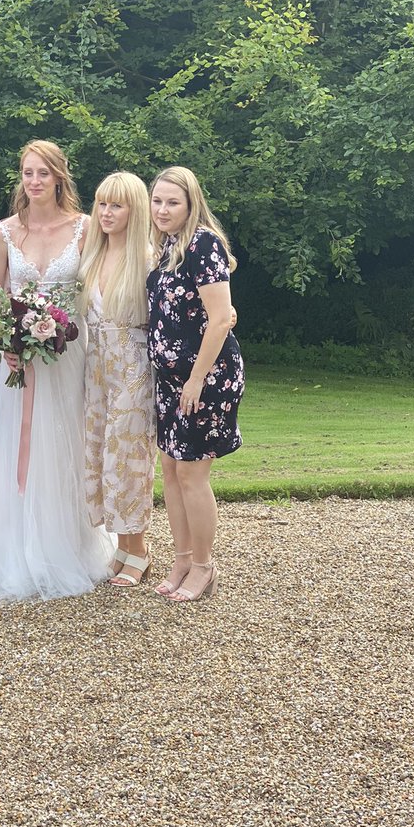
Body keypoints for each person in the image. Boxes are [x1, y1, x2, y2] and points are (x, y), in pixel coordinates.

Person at [0, 140, 112, 602]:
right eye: (27, 172)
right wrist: (8, 343)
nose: (34, 181)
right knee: (20, 448)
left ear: (58, 177)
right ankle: (19, 545)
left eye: (43, 173)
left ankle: (68, 541)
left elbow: (100, 288)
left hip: (70, 356)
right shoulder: (3, 233)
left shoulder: (86, 229)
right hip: (18, 360)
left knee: (66, 443)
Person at [146, 166, 244, 602]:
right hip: (170, 380)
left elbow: (221, 318)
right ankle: (182, 558)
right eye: (158, 201)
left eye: (173, 202)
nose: (163, 209)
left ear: (190, 205)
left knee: (191, 472)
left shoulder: (202, 243)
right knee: (169, 468)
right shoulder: (165, 246)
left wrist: (196, 379)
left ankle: (204, 567)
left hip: (204, 379)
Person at [79, 172, 156, 587]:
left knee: (128, 458)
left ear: (134, 210)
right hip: (96, 366)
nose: (106, 213)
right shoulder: (92, 253)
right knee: (98, 453)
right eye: (102, 204)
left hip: (132, 366)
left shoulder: (146, 257)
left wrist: (226, 314)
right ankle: (122, 547)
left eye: (117, 206)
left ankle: (139, 550)